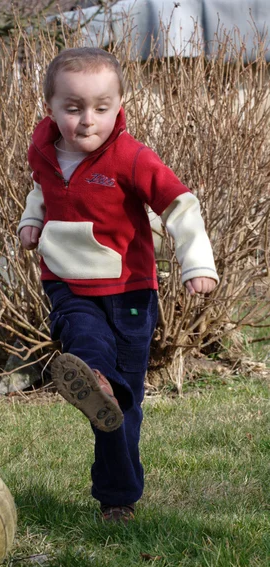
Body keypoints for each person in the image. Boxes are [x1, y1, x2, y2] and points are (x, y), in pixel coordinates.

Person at [18, 47, 218, 523]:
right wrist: (32, 218)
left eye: (101, 108)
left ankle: (118, 497)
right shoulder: (44, 148)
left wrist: (196, 262)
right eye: (73, 108)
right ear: (50, 107)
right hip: (68, 281)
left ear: (119, 104)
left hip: (129, 290)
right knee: (85, 343)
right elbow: (41, 187)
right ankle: (93, 376)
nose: (87, 121)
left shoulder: (131, 157)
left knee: (122, 406)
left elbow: (179, 205)